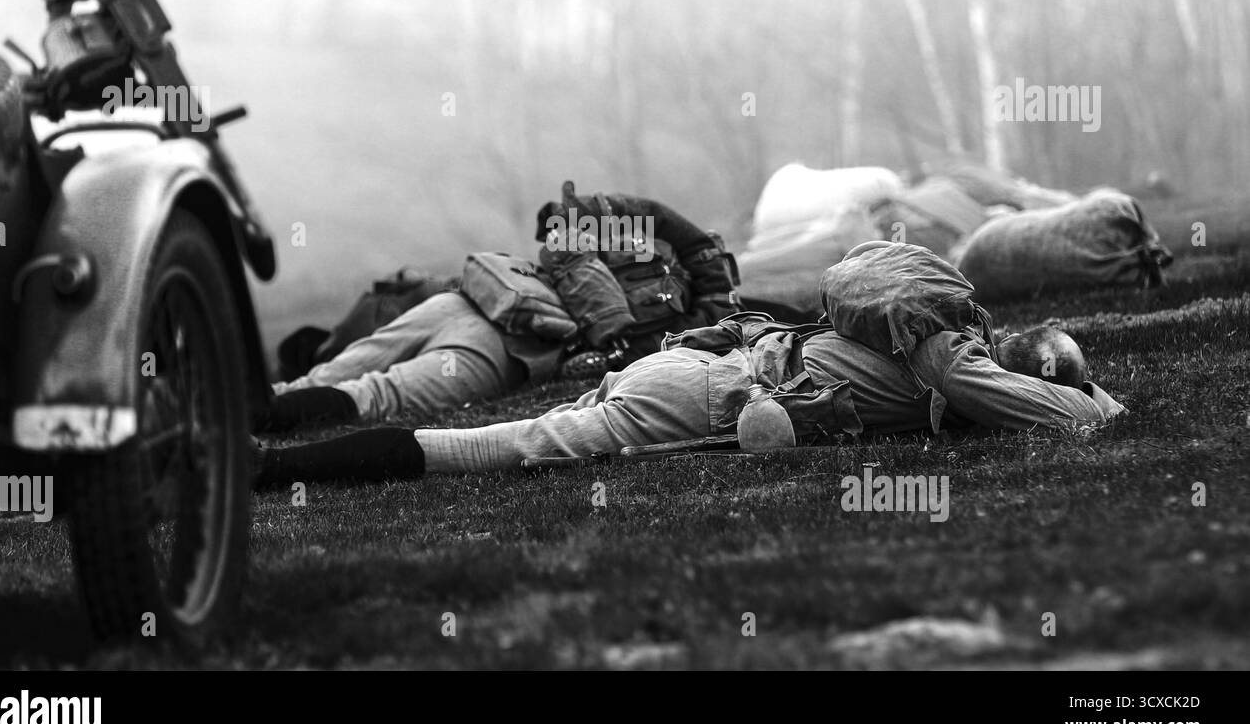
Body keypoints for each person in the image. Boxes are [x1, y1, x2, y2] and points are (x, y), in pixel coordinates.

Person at [251, 315, 1125, 486]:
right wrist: (1102, 405)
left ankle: (262, 443)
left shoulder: (919, 330)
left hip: (690, 368)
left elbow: (1038, 389)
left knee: (398, 390)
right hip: (706, 403)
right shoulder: (956, 365)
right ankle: (265, 468)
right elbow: (1064, 413)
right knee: (488, 448)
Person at [256, 184, 744, 431]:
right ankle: (233, 415)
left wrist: (614, 344)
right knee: (328, 374)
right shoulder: (630, 237)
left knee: (374, 395)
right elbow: (565, 220)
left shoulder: (692, 322)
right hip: (472, 301)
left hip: (512, 353)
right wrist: (610, 320)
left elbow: (693, 336)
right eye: (700, 253)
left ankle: (243, 429)